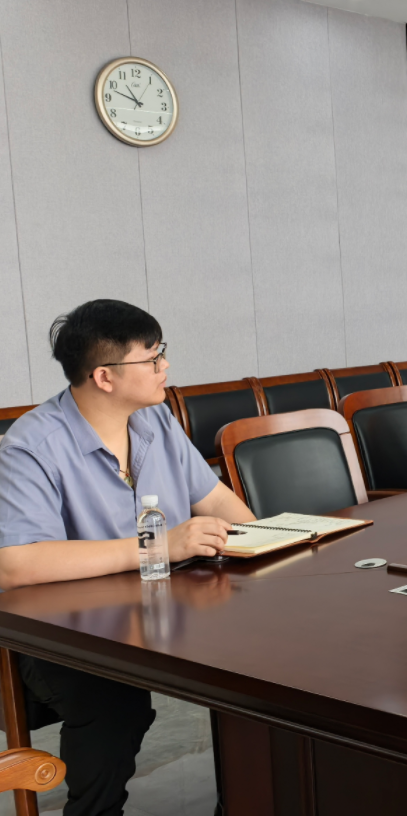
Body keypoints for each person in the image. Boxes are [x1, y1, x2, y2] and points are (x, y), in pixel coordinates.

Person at [0, 299, 257, 816]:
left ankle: (254, 797)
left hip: (162, 607)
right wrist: (158, 546)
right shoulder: (30, 447)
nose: (166, 366)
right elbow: (16, 565)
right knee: (115, 704)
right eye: (152, 357)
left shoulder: (155, 419)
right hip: (63, 633)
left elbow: (216, 501)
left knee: (259, 662)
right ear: (105, 376)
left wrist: (263, 540)